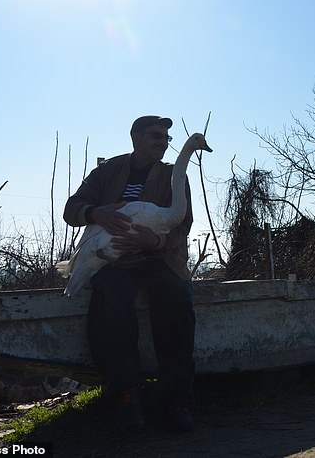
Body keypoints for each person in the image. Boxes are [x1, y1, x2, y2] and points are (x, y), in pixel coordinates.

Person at [63, 115, 196, 433]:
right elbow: (72, 208)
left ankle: (176, 399)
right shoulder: (108, 171)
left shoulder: (172, 175)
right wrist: (96, 212)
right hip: (114, 261)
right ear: (135, 137)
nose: (162, 142)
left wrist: (155, 241)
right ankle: (126, 392)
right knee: (113, 301)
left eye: (166, 137)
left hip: (157, 258)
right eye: (155, 135)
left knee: (176, 298)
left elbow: (183, 224)